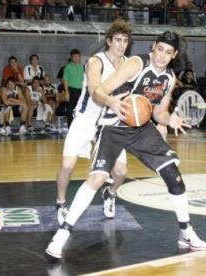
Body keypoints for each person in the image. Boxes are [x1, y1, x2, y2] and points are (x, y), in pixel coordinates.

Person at [46, 31, 206, 259]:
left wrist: (169, 119)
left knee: (173, 174)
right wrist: (111, 101)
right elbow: (99, 91)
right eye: (159, 49)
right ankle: (62, 234)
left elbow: (159, 111)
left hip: (141, 128)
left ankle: (186, 232)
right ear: (153, 47)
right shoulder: (135, 63)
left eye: (168, 52)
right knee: (98, 177)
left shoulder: (169, 78)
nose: (162, 56)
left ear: (174, 55)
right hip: (113, 126)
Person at [55, 20, 131, 226]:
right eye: (117, 40)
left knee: (121, 172)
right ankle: (61, 203)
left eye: (125, 40)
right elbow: (93, 90)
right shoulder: (96, 61)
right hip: (86, 119)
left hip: (111, 122)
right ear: (108, 41)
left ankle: (110, 193)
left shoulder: (128, 64)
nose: (121, 44)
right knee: (67, 165)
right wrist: (111, 100)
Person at [63, 49, 84, 127]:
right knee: (70, 110)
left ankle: (79, 128)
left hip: (81, 91)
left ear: (80, 57)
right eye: (74, 57)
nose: (76, 58)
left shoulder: (83, 67)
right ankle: (70, 128)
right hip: (71, 90)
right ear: (71, 57)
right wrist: (67, 92)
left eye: (77, 56)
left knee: (80, 110)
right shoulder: (68, 67)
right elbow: (65, 80)